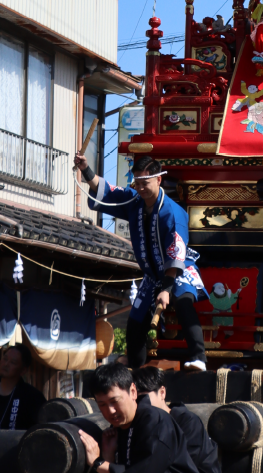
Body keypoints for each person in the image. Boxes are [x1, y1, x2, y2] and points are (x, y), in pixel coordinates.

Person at [78, 154, 207, 371]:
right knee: (135, 321)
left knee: (182, 300)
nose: (140, 188)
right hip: (152, 275)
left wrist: (167, 289)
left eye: (145, 183)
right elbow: (108, 192)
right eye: (136, 183)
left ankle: (199, 358)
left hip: (178, 269)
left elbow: (176, 254)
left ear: (158, 180)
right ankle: (136, 368)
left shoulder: (173, 213)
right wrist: (86, 169)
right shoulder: (134, 202)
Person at [78, 362, 198, 473]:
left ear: (133, 391)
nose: (110, 410)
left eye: (114, 401)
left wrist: (99, 463)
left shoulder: (156, 422)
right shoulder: (119, 428)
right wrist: (109, 455)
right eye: (102, 404)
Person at [132, 367, 219, 473]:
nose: (140, 404)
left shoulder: (187, 422)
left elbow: (185, 464)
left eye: (144, 398)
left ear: (162, 392)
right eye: (135, 400)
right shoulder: (136, 423)